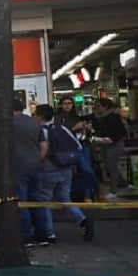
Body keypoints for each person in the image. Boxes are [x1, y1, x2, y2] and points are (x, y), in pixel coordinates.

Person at [35, 104, 95, 242]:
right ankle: (82, 220)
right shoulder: (62, 128)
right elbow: (78, 146)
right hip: (67, 168)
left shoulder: (41, 130)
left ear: (39, 116)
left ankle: (49, 233)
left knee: (45, 200)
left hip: (49, 168)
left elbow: (43, 150)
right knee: (65, 198)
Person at [11, 97, 50, 246]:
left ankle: (26, 236)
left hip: (18, 166)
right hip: (36, 165)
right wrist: (38, 159)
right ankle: (42, 236)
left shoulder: (7, 123)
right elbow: (44, 146)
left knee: (22, 202)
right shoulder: (35, 123)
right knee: (38, 200)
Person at [90, 96, 129, 199]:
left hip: (114, 144)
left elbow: (121, 131)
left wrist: (111, 139)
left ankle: (113, 190)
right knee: (108, 165)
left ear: (106, 107)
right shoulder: (96, 117)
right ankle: (122, 182)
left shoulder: (114, 117)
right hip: (103, 144)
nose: (97, 108)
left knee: (112, 167)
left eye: (99, 106)